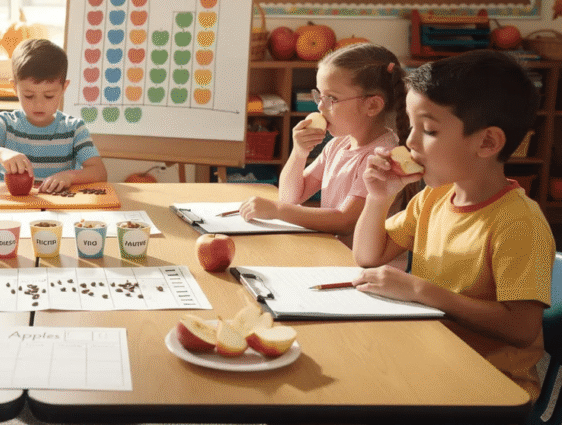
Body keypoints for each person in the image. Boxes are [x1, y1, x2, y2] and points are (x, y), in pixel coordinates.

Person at [353, 49, 554, 402]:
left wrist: (421, 291)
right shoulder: (433, 199)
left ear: (487, 142)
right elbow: (369, 257)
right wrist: (378, 197)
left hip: (492, 384)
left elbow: (523, 328)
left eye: (428, 129)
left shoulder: (520, 223)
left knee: (343, 407)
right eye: (410, 127)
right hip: (432, 357)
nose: (410, 142)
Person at [237, 43, 408, 242]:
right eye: (320, 95)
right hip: (335, 257)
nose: (319, 106)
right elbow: (290, 197)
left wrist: (277, 210)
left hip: (364, 268)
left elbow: (345, 222)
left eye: (331, 98)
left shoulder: (383, 156)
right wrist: (299, 152)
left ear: (372, 105)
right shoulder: (337, 145)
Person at [0, 38, 107, 193]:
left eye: (49, 96)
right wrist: (0, 153)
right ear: (15, 88)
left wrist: (69, 176)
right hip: (14, 209)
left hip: (57, 209)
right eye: (29, 95)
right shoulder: (5, 124)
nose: (39, 104)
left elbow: (99, 172)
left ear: (64, 88)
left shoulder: (74, 128)